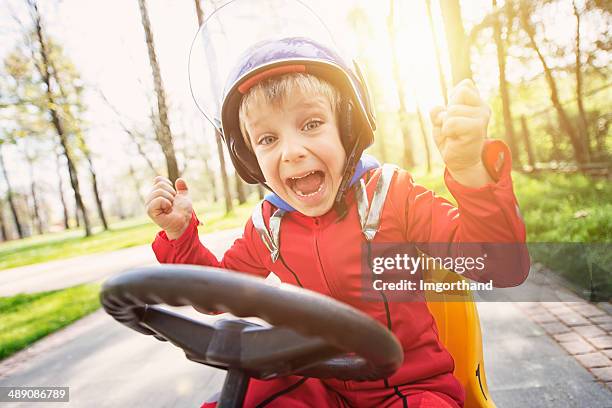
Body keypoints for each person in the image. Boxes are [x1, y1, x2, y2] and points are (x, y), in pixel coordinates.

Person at [145, 21, 528, 408]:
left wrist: (470, 174)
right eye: (267, 139)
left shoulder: (392, 196)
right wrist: (181, 236)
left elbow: (501, 265)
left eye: (311, 124)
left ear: (347, 129)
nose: (291, 151)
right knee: (246, 396)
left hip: (409, 388)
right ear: (249, 158)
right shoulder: (267, 228)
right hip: (322, 387)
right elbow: (215, 295)